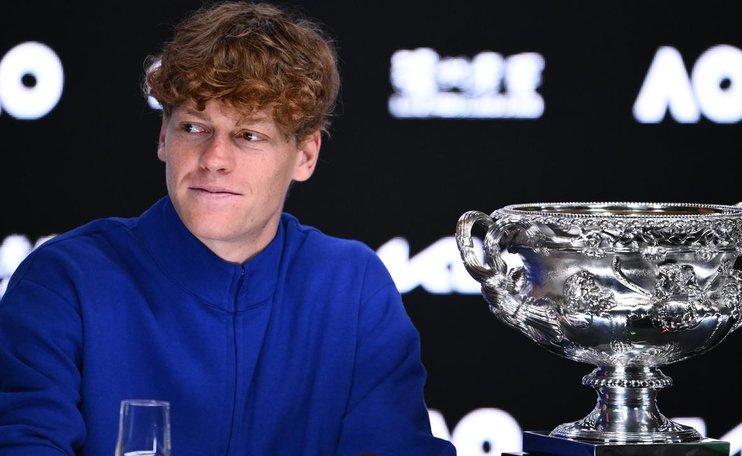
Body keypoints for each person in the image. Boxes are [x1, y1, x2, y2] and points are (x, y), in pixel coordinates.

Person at [0, 2, 457, 455]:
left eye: (248, 135)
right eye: (195, 127)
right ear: (164, 136)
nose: (214, 158)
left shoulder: (353, 289)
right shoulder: (62, 282)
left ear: (305, 155)